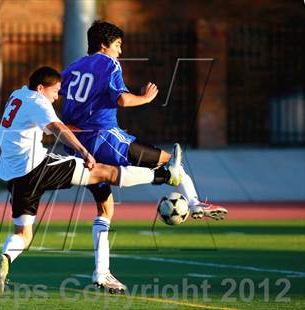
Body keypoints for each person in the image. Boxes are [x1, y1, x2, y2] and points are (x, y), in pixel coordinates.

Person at [60, 20, 228, 292]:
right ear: (104, 45)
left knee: (105, 209)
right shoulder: (108, 64)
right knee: (169, 161)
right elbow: (122, 100)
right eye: (117, 45)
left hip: (76, 143)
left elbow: (55, 95)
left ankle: (101, 273)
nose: (120, 52)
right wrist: (146, 98)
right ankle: (194, 202)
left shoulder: (72, 68)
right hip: (104, 136)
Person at [0, 66, 183, 297]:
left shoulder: (17, 95)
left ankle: (5, 257)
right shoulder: (38, 102)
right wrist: (84, 151)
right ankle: (164, 175)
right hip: (37, 167)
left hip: (15, 177)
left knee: (24, 234)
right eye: (54, 91)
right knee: (104, 172)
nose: (55, 96)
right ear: (40, 88)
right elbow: (57, 128)